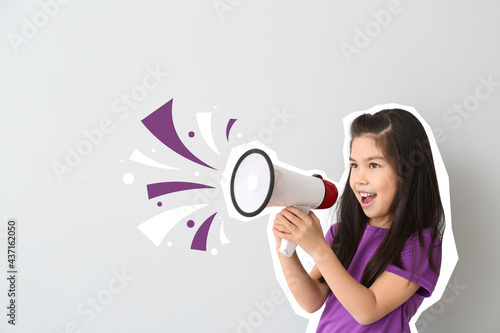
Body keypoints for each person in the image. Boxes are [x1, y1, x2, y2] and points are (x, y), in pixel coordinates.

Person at [272, 109, 444, 332]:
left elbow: (368, 310)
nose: (359, 178)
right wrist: (286, 249)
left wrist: (318, 248)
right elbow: (311, 300)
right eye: (354, 165)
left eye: (373, 165)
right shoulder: (342, 233)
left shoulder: (420, 244)